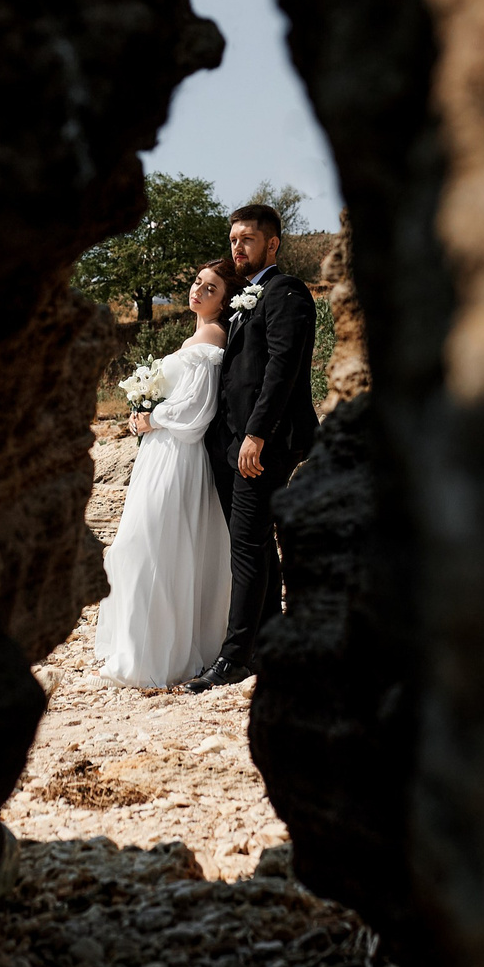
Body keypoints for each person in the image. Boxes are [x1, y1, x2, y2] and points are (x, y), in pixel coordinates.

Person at [90, 259, 243, 687]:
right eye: (197, 283)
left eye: (210, 289)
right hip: (159, 455)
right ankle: (144, 645)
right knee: (147, 545)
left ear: (224, 300)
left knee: (150, 545)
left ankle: (156, 655)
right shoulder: (196, 334)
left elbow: (197, 413)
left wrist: (148, 418)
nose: (198, 291)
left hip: (179, 457)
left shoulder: (212, 338)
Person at [187, 205, 319, 692]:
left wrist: (257, 434)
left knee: (245, 546)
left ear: (273, 244)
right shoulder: (242, 297)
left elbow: (283, 368)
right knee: (256, 543)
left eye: (248, 239)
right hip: (230, 444)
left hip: (263, 442)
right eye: (233, 238)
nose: (238, 247)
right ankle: (267, 644)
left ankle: (235, 657)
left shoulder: (286, 293)